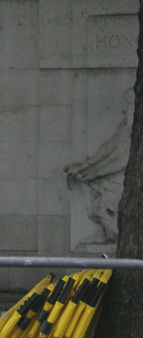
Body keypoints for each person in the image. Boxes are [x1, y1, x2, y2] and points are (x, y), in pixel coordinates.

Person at [65, 88, 133, 244]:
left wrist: (96, 172)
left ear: (131, 101)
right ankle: (105, 235)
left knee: (97, 206)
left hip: (124, 179)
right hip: (114, 175)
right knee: (92, 199)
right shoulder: (122, 127)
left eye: (125, 99)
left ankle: (121, 236)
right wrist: (84, 166)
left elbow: (124, 160)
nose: (122, 103)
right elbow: (106, 150)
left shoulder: (135, 130)